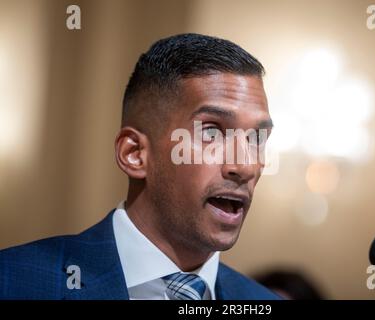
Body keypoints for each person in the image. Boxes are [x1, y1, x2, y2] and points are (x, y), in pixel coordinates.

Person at [0, 33, 280, 300]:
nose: (245, 166)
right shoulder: (13, 281)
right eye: (211, 132)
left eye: (256, 138)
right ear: (134, 153)